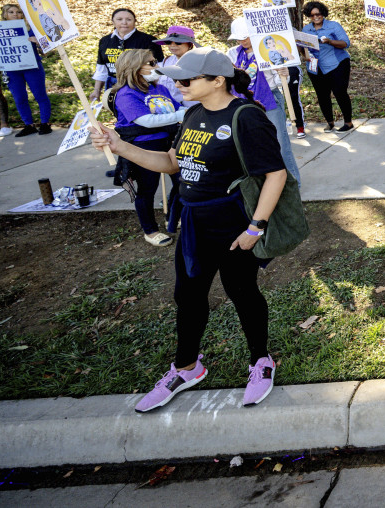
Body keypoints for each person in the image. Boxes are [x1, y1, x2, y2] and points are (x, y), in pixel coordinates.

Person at [91, 48, 287, 411]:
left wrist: (255, 227)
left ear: (217, 80)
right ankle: (186, 368)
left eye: (186, 80)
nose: (176, 85)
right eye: (176, 79)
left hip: (234, 222)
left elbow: (276, 173)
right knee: (188, 296)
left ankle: (261, 361)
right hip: (194, 222)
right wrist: (120, 146)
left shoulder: (246, 117)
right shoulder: (194, 113)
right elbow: (171, 162)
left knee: (242, 292)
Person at [112, 49, 183, 246]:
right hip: (143, 145)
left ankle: (175, 216)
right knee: (147, 188)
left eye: (156, 62)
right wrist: (180, 116)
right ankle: (150, 230)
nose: (157, 67)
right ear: (133, 67)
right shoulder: (125, 94)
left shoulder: (160, 89)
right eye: (151, 63)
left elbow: (179, 108)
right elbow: (146, 121)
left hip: (169, 141)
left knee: (181, 181)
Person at [227, 18, 301, 183]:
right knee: (250, 144)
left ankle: (293, 183)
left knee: (279, 143)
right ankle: (264, 184)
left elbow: (281, 82)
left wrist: (283, 73)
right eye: (238, 38)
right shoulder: (233, 53)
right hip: (243, 102)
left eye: (245, 36)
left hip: (269, 98)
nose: (242, 41)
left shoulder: (267, 50)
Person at [88, 8, 163, 102]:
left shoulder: (148, 40)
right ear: (113, 22)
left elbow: (159, 67)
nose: (124, 22)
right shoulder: (105, 41)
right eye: (119, 19)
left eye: (129, 19)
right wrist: (97, 90)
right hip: (113, 85)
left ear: (135, 21)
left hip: (140, 86)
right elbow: (101, 69)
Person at [301, 1, 354, 132]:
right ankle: (330, 122)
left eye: (318, 14)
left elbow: (345, 43)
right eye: (312, 15)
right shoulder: (306, 29)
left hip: (337, 64)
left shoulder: (333, 26)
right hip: (315, 67)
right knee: (322, 95)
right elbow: (302, 46)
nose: (315, 17)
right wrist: (305, 55)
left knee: (339, 92)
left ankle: (348, 122)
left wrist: (330, 41)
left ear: (323, 13)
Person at [0, 5, 51, 136]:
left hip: (32, 67)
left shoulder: (30, 29)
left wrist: (38, 42)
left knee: (40, 95)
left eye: (18, 12)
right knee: (19, 98)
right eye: (11, 12)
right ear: (5, 15)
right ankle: (29, 125)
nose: (15, 14)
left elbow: (46, 50)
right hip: (12, 70)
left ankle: (45, 123)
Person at [153, 25, 198, 106]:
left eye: (178, 42)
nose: (173, 45)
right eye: (169, 42)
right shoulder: (166, 61)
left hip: (192, 108)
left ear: (190, 45)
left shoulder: (198, 62)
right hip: (168, 108)